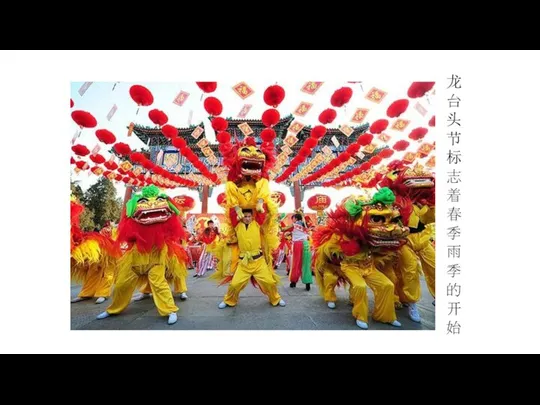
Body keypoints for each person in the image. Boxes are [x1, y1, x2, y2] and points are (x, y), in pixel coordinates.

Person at [218, 210, 286, 309]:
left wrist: (260, 202)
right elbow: (232, 211)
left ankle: (276, 298)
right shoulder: (237, 226)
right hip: (244, 262)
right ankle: (229, 300)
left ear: (252, 217)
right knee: (234, 284)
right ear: (241, 216)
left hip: (258, 261)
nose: (247, 218)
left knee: (269, 282)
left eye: (249, 216)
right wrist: (237, 208)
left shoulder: (257, 224)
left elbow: (263, 213)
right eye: (245, 216)